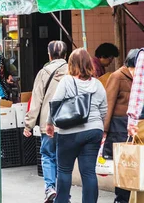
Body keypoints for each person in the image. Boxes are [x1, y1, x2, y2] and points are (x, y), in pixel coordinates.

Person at [46, 48, 107, 203]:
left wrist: (49, 124)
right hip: (94, 130)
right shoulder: (98, 84)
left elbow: (55, 103)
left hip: (69, 132)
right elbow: (104, 110)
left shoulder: (67, 81)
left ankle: (62, 201)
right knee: (88, 173)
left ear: (71, 64)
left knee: (64, 171)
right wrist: (99, 127)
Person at [23, 40, 68, 203]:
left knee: (48, 155)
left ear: (49, 55)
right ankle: (64, 193)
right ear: (65, 55)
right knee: (64, 159)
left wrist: (28, 124)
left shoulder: (44, 72)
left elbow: (36, 100)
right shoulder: (73, 71)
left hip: (48, 124)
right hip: (70, 124)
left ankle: (50, 188)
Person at [103, 49, 139, 203]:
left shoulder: (139, 79)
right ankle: (121, 199)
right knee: (123, 165)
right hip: (118, 127)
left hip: (135, 128)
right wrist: (104, 130)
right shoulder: (117, 76)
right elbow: (108, 103)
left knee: (134, 165)